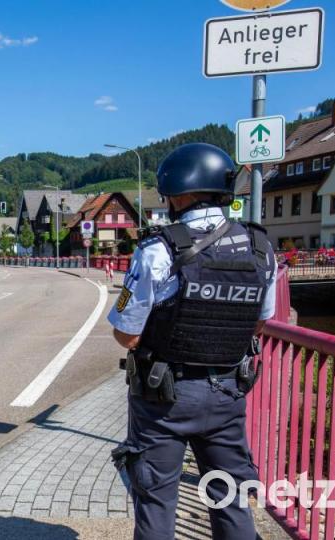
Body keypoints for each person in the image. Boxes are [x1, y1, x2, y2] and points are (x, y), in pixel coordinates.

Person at [108, 143, 277, 540]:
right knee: (229, 499)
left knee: (156, 503)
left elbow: (127, 334)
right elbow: (260, 323)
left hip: (163, 397)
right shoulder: (260, 247)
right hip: (228, 394)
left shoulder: (158, 250)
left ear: (181, 193)